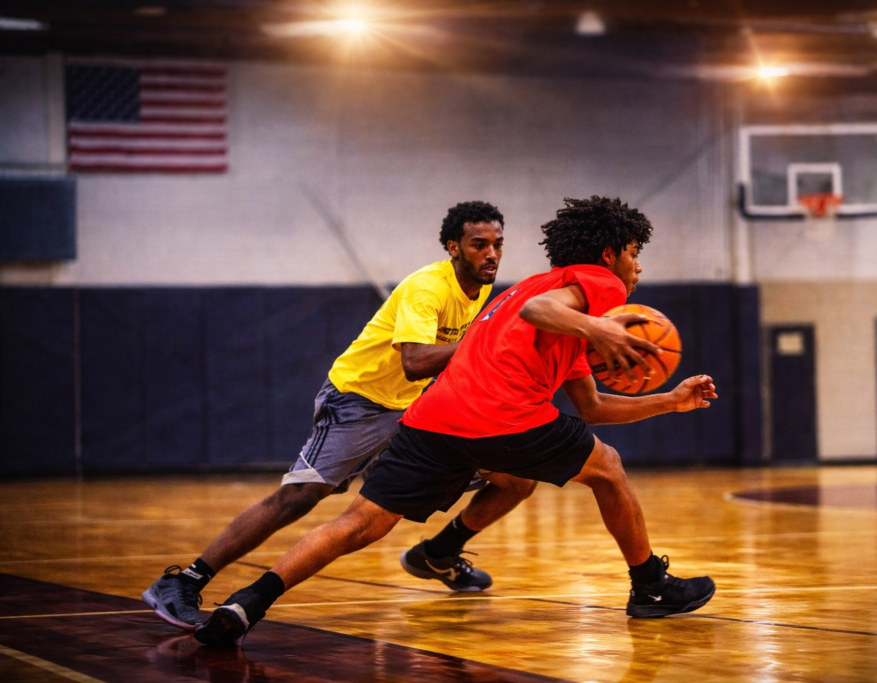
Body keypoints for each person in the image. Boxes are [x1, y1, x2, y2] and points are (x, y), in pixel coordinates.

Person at [194, 195, 719, 647]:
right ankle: (649, 586)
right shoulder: (596, 283)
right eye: (634, 254)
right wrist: (604, 330)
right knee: (607, 467)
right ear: (609, 254)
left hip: (434, 421)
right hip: (501, 415)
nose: (637, 268)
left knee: (361, 523)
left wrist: (670, 400)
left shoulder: (540, 293)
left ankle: (246, 604)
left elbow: (593, 407)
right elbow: (541, 312)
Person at [143, 200, 537, 631]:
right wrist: (486, 347)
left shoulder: (480, 289)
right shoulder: (429, 287)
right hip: (358, 401)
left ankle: (440, 552)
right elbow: (416, 361)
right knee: (299, 498)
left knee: (516, 476)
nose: (492, 254)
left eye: (498, 244)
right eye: (479, 244)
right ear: (453, 247)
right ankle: (185, 581)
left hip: (412, 408)